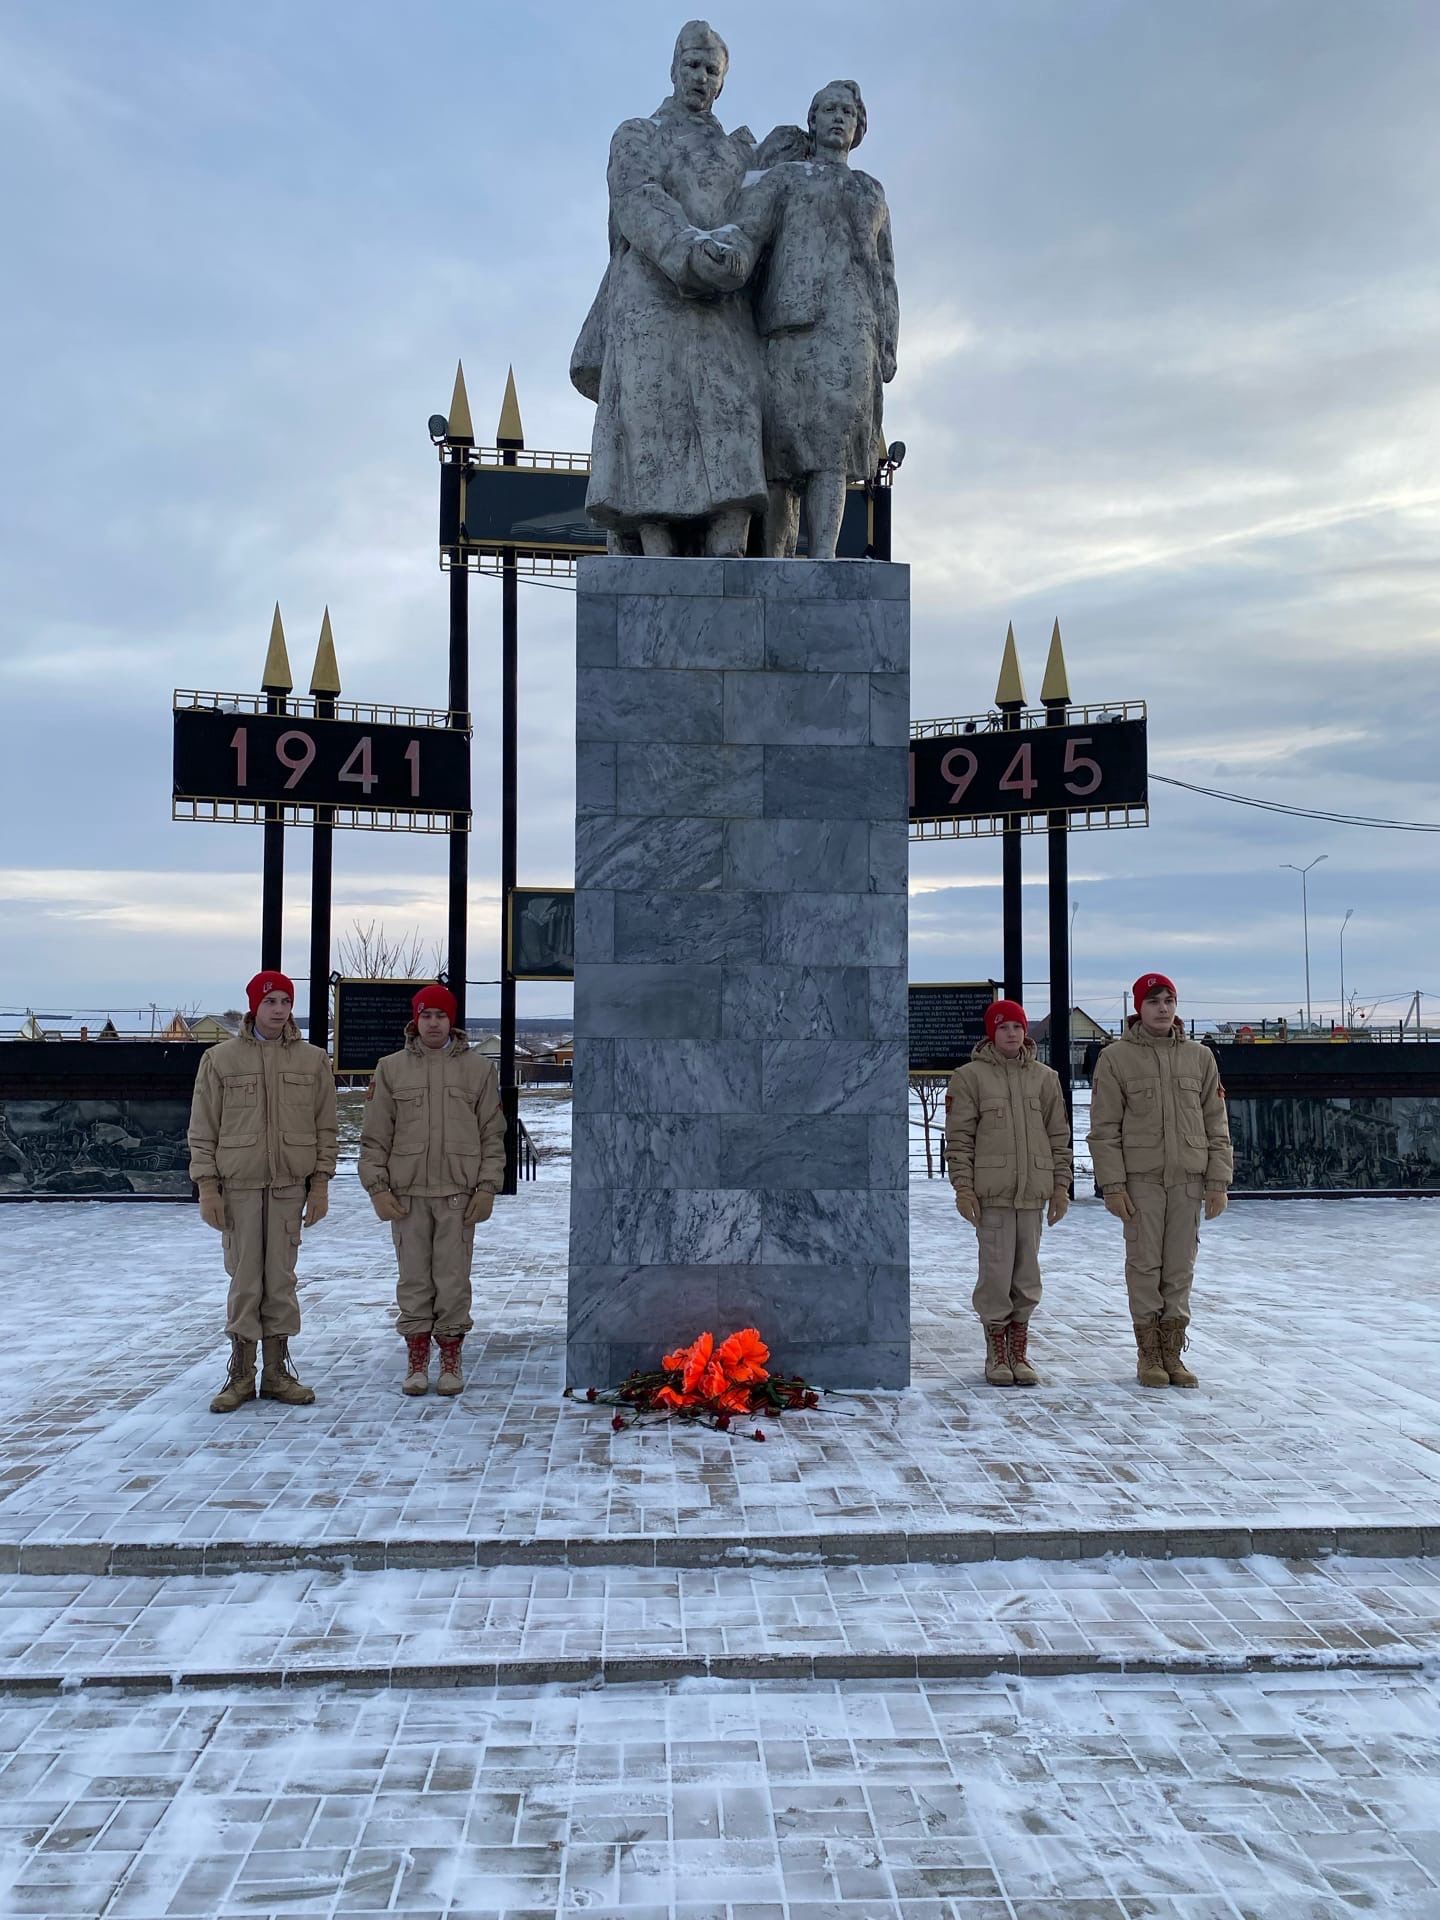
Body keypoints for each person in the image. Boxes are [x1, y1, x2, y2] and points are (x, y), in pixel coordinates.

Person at [570, 19, 767, 556]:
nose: (701, 79)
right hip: (650, 302)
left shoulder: (741, 153)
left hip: (721, 306)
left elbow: (757, 214)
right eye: (692, 66)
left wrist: (733, 252)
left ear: (722, 82)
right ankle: (655, 549)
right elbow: (638, 200)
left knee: (732, 415)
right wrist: (686, 251)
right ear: (673, 68)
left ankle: (729, 542)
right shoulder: (639, 134)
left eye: (711, 71)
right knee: (652, 429)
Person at [731, 78, 899, 559]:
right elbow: (745, 237)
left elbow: (885, 272)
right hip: (789, 329)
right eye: (829, 109)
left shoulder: (871, 191)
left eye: (848, 111)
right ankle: (775, 557)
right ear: (813, 120)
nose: (839, 118)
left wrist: (888, 339)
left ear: (859, 126)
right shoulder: (785, 179)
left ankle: (822, 556)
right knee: (781, 454)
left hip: (852, 332)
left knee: (832, 454)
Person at [187, 970, 336, 1413]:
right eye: (269, 1001)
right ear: (255, 1006)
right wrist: (208, 1188)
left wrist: (321, 1184)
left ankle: (276, 1373)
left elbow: (326, 1127)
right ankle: (241, 1374)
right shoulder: (220, 1060)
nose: (278, 1009)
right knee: (245, 1279)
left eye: (285, 1002)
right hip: (240, 1188)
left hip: (291, 1187)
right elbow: (202, 1129)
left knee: (281, 1281)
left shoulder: (311, 1062)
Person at [359, 984, 506, 1396]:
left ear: (451, 1020)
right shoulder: (391, 1069)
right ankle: (417, 1361)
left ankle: (451, 1360)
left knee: (453, 1280)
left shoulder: (478, 1070)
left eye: (441, 1015)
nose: (434, 1023)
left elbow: (492, 1136)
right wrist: (377, 1188)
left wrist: (487, 1188)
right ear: (415, 1020)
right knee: (414, 1282)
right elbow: (374, 1137)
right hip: (407, 1197)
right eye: (427, 1015)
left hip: (459, 1197)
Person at [1088, 972, 1233, 1388]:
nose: (1163, 1008)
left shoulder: (1199, 1057)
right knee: (1145, 1266)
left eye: (1168, 1000)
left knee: (1180, 1270)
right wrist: (1113, 1186)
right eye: (1153, 1001)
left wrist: (1217, 1181)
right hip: (1142, 1183)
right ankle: (1149, 1353)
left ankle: (1173, 1351)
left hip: (1188, 1180)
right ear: (1138, 1008)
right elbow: (1104, 1128)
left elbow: (1216, 1124)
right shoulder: (1116, 1059)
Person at [945, 1000, 1072, 1386]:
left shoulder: (1045, 1079)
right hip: (993, 1197)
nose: (1012, 1034)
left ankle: (1019, 1350)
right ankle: (996, 1351)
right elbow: (960, 1139)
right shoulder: (969, 1078)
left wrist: (1060, 1186)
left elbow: (1058, 1136)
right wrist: (963, 1188)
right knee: (996, 1275)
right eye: (1003, 1028)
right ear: (991, 1033)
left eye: (1017, 1027)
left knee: (1027, 1275)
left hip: (1032, 1194)